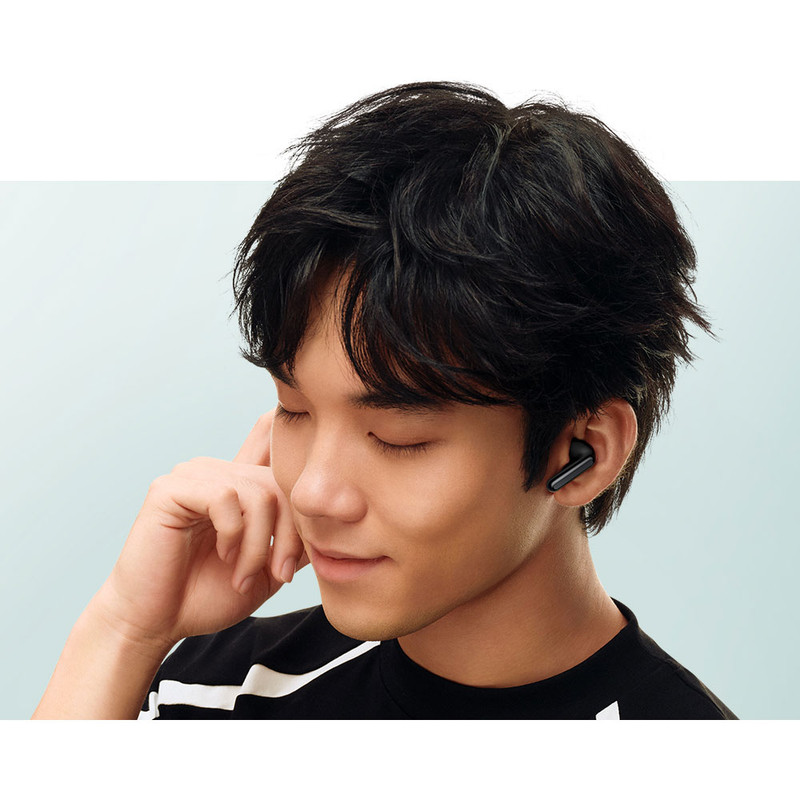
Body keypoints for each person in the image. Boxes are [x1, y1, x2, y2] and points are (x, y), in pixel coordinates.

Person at [32, 80, 738, 720]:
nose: (313, 493)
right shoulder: (220, 690)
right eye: (294, 410)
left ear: (583, 453)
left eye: (399, 438)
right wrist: (124, 630)